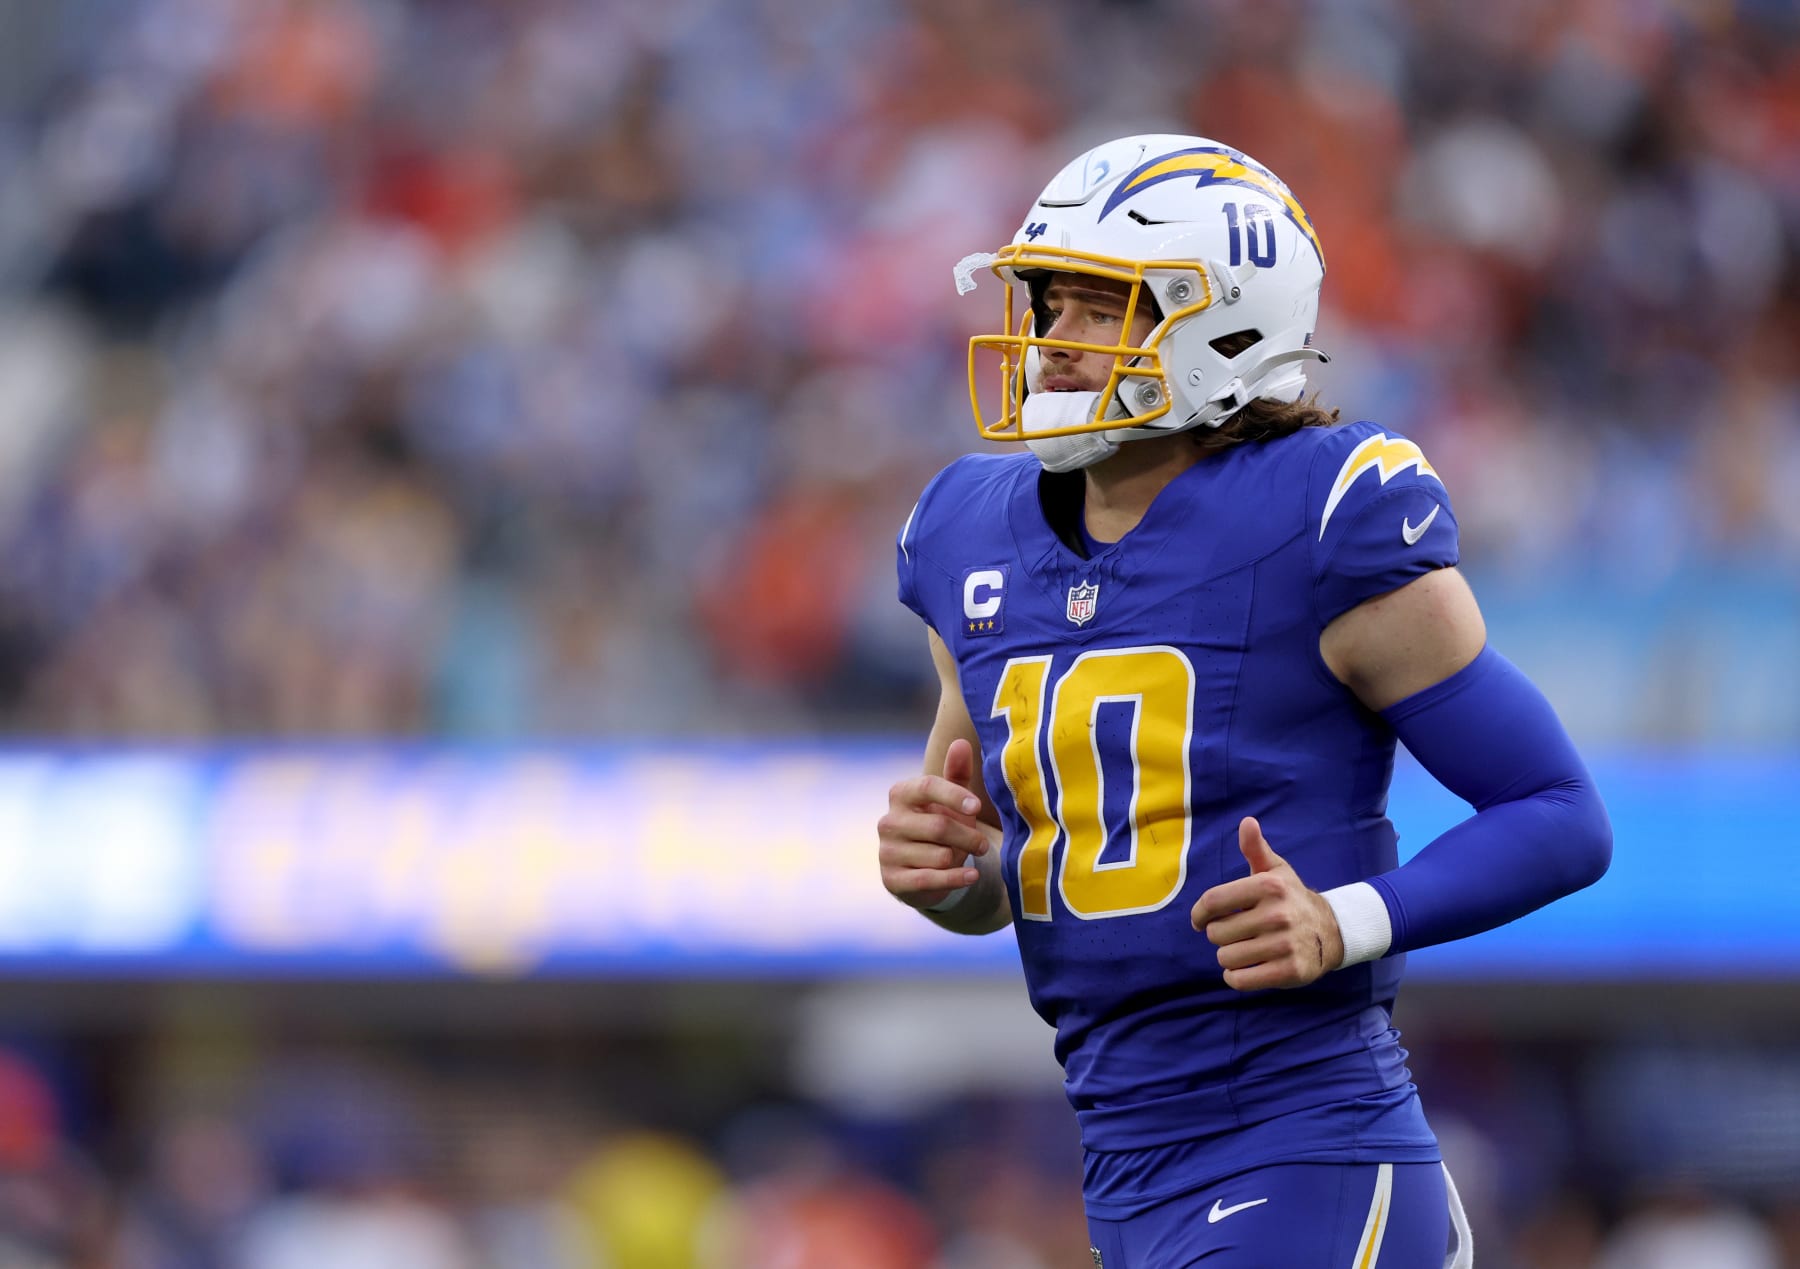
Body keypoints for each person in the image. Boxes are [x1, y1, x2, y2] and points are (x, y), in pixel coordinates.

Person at [877, 134, 1612, 1268]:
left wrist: (1344, 919)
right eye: (1048, 301)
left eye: (1099, 308)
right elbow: (1012, 873)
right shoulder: (967, 534)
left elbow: (1560, 813)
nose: (1051, 339)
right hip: (1118, 1156)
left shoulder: (1323, 516)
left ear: (1222, 325)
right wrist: (949, 874)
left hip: (1304, 1138)